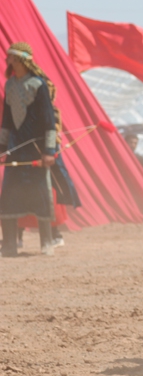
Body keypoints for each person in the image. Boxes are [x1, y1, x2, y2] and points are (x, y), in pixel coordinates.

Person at [0, 43, 59, 256]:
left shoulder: (38, 84)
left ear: (22, 60)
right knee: (8, 194)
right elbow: (6, 120)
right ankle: (8, 245)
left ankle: (46, 242)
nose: (8, 61)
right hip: (15, 149)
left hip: (36, 149)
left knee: (40, 192)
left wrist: (49, 151)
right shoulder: (10, 86)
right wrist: (2, 148)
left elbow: (48, 120)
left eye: (12, 58)